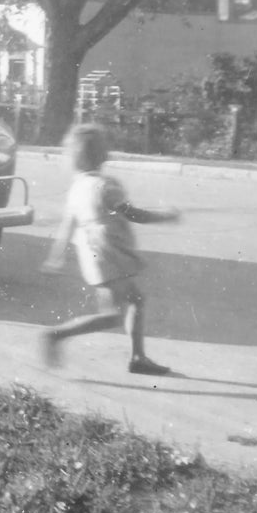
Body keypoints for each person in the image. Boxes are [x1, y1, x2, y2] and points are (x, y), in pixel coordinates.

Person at [40, 123, 180, 376]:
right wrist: (165, 216)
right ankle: (57, 335)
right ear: (102, 154)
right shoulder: (107, 186)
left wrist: (56, 257)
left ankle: (138, 357)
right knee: (112, 315)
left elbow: (67, 227)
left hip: (94, 254)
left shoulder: (77, 187)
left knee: (135, 301)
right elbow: (135, 214)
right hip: (110, 253)